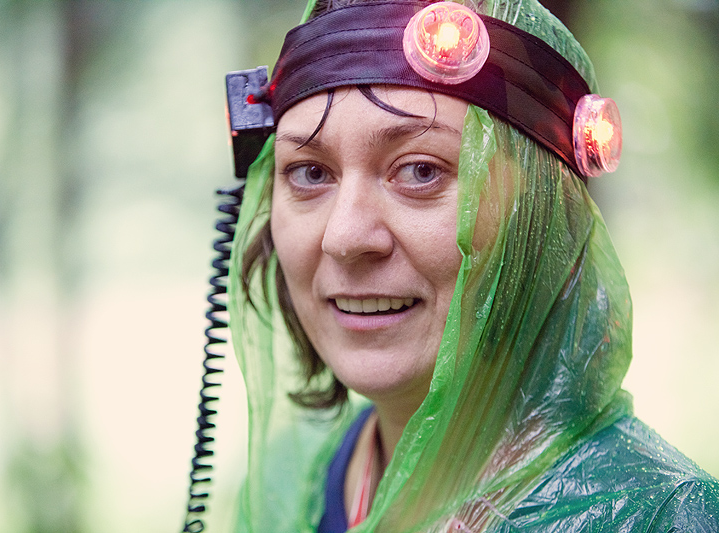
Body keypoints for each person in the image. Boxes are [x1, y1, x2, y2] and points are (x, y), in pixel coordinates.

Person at [223, 0, 719, 531]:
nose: (344, 238)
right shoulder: (294, 484)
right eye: (310, 173)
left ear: (538, 215)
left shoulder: (658, 515)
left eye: (420, 170)